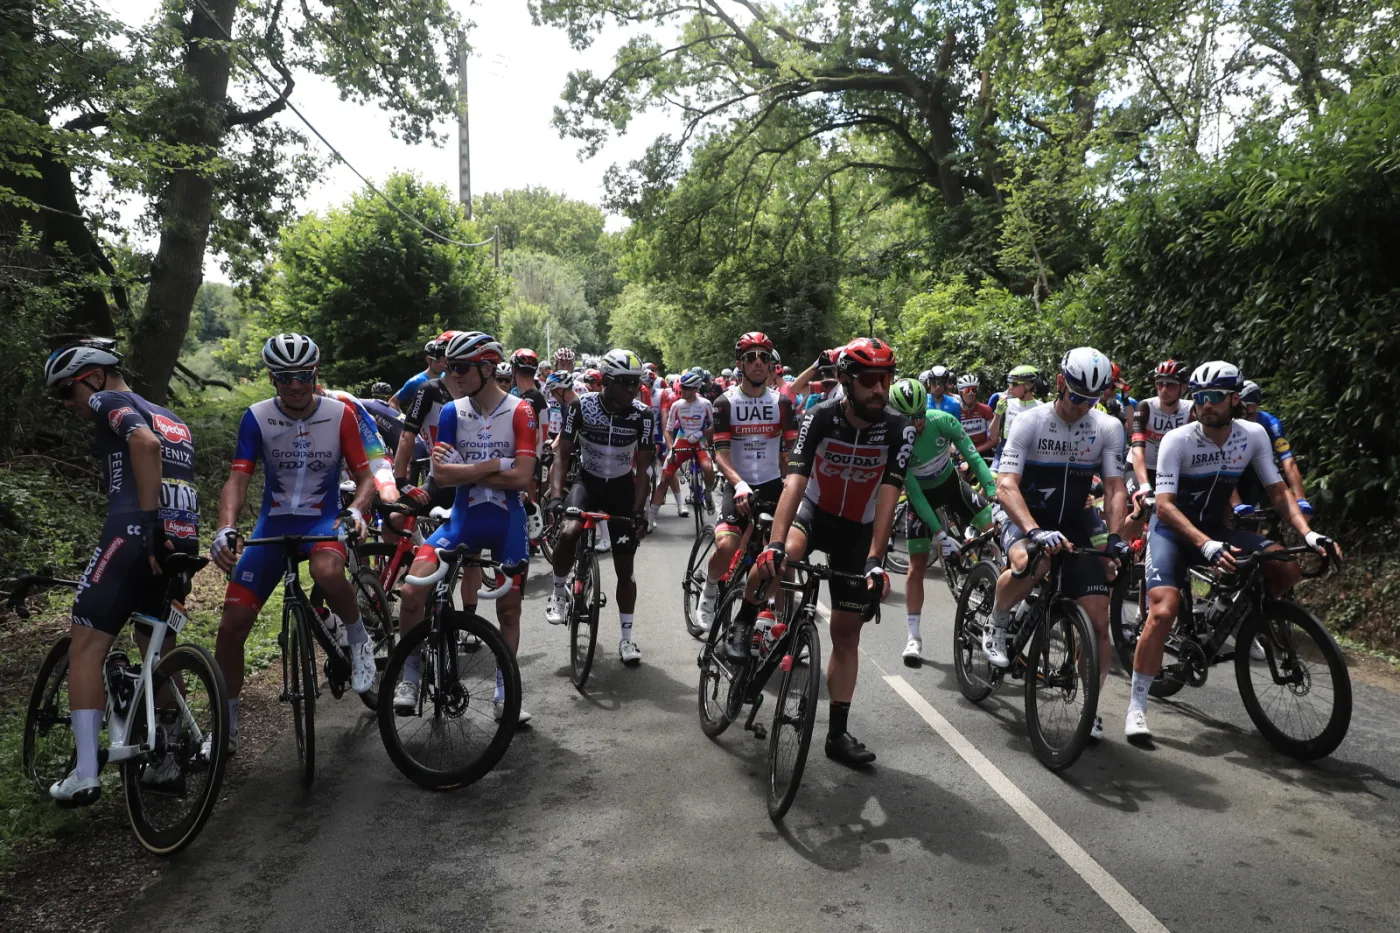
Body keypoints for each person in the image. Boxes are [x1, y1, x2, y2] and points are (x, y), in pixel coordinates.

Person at [1125, 362, 1339, 742]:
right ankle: (1137, 705)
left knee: (1284, 566)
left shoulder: (1252, 435)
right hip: (1172, 531)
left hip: (1218, 529)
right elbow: (1166, 505)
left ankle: (1231, 615)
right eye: (1200, 398)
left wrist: (1308, 535)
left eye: (1214, 398)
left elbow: (1278, 492)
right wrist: (1204, 544)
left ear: (1234, 399)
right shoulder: (1180, 440)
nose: (1205, 405)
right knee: (1163, 611)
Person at [726, 337, 912, 767]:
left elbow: (889, 494)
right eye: (869, 381)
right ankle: (745, 619)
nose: (879, 390)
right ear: (847, 381)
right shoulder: (820, 417)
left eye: (885, 379)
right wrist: (773, 542)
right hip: (814, 511)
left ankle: (838, 734)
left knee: (847, 633)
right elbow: (794, 482)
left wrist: (875, 561)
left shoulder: (898, 428)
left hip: (858, 530)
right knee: (780, 555)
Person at [41, 341, 201, 804]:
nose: (69, 404)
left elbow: (143, 443)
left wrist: (146, 524)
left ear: (92, 376)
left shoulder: (106, 399)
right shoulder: (170, 416)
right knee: (157, 649)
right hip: (181, 540)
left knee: (87, 646)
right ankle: (168, 758)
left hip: (137, 534)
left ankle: (86, 772)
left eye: (67, 391)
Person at [211, 334, 377, 756]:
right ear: (272, 378)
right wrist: (226, 528)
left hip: (321, 520)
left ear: (315, 373)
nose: (296, 385)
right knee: (230, 630)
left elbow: (366, 478)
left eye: (304, 376)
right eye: (285, 378)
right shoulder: (257, 417)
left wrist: (356, 511)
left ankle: (359, 640)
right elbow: (238, 480)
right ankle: (225, 728)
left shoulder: (340, 415)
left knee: (326, 571)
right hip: (274, 524)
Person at [390, 332, 538, 724]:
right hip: (461, 521)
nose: (451, 375)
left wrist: (469, 471)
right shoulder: (453, 412)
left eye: (459, 368)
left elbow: (524, 477)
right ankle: (410, 675)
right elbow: (442, 475)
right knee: (410, 591)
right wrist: (493, 465)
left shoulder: (521, 411)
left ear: (486, 369)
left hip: (508, 522)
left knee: (509, 611)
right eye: (450, 367)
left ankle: (505, 692)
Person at [989, 347, 1130, 741]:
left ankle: (1091, 708)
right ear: (1059, 384)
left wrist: (1115, 538)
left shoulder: (1106, 428)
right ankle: (998, 621)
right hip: (1024, 515)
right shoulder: (1029, 421)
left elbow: (1116, 488)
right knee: (1032, 564)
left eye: (1092, 399)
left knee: (1099, 622)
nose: (1083, 406)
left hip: (1072, 521)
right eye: (1076, 396)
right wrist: (1033, 530)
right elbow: (1005, 485)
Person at [545, 349, 656, 665]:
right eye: (624, 383)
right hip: (587, 483)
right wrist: (555, 497)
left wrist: (640, 511)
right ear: (606, 381)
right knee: (569, 530)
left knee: (625, 568)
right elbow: (563, 455)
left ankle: (626, 639)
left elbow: (645, 466)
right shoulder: (581, 406)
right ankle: (559, 591)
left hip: (621, 488)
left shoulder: (642, 415)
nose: (631, 390)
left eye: (635, 384)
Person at [692, 333, 798, 631]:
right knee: (727, 545)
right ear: (740, 364)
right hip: (738, 483)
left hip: (771, 484)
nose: (758, 363)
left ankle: (773, 618)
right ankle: (710, 588)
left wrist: (795, 485)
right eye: (751, 357)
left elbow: (790, 454)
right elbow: (722, 455)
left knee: (779, 556)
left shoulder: (782, 403)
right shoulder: (725, 402)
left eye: (764, 357)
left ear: (771, 365)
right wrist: (739, 484)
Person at [887, 378, 996, 667]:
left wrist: (992, 489)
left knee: (995, 529)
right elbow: (916, 495)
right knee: (916, 567)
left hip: (951, 485)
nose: (919, 423)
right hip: (921, 498)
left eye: (921, 414)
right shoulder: (896, 441)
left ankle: (1003, 599)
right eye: (911, 420)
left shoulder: (943, 420)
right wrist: (940, 534)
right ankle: (913, 638)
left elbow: (973, 456)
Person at [1127, 360, 1190, 532]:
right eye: (1159, 384)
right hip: (1140, 467)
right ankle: (1120, 548)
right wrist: (1145, 486)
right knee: (1140, 508)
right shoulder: (1146, 407)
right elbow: (1137, 449)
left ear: (1182, 388)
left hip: (1169, 471)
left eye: (1170, 385)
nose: (1163, 390)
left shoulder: (1190, 410)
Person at [1234, 381, 1311, 515]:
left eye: (1240, 405)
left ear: (1252, 407)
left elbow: (1287, 460)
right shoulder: (1229, 422)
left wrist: (1300, 498)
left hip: (1257, 472)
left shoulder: (1270, 423)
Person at [648, 371, 715, 517]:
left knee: (708, 467)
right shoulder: (677, 405)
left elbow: (715, 425)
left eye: (685, 387)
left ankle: (707, 493)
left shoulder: (705, 404)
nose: (681, 390)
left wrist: (701, 434)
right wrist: (671, 449)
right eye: (681, 386)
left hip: (699, 441)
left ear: (695, 389)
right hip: (682, 439)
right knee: (664, 479)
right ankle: (650, 517)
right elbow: (668, 430)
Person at [988, 365, 1039, 471]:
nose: (1010, 387)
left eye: (1015, 384)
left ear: (1028, 385)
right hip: (1003, 454)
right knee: (990, 484)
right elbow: (992, 437)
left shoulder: (1041, 408)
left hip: (1028, 459)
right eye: (1009, 383)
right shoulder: (1006, 404)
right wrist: (997, 414)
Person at [391, 331, 457, 411]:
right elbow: (393, 402)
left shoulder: (446, 377)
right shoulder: (416, 381)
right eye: (437, 361)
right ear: (428, 360)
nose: (441, 364)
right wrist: (402, 419)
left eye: (443, 360)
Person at [955, 373, 997, 457]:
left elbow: (995, 440)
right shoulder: (955, 410)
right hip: (963, 453)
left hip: (983, 451)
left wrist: (976, 451)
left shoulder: (986, 410)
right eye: (967, 390)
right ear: (960, 393)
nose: (971, 393)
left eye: (973, 390)